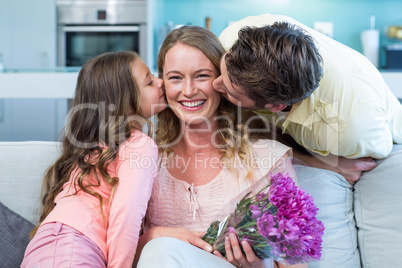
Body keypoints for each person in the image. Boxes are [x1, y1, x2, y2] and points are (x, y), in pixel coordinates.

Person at [135, 26, 307, 268]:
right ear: (162, 83)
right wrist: (155, 236)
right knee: (161, 249)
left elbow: (295, 262)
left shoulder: (268, 159)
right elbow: (119, 253)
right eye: (175, 78)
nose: (188, 90)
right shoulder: (145, 160)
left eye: (202, 76)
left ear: (221, 82)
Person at [212, 13, 402, 184]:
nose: (214, 84)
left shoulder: (348, 130)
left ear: (276, 106)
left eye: (231, 92)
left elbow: (377, 151)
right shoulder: (230, 39)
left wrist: (333, 163)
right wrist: (325, 164)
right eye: (221, 71)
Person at [21, 51, 166, 267]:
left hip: (43, 247)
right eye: (149, 81)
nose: (160, 82)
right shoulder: (139, 144)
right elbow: (126, 217)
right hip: (74, 249)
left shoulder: (96, 147)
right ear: (125, 104)